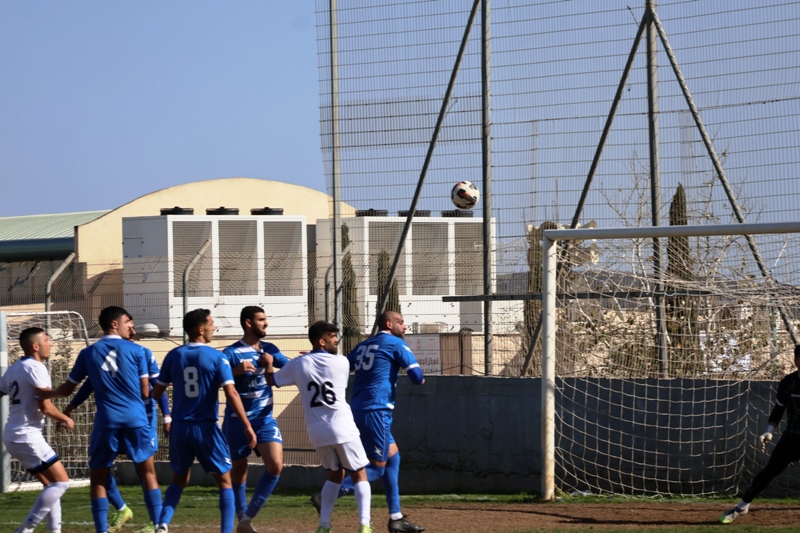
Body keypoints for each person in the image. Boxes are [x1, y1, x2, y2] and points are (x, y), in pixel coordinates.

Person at [38, 306, 163, 533]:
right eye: (127, 322)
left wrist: (47, 393)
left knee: (98, 476)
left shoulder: (88, 353)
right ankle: (159, 526)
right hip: (136, 419)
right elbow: (146, 391)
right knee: (147, 473)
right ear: (114, 324)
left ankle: (102, 530)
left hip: (107, 421)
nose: (131, 327)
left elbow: (67, 389)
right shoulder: (139, 351)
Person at [151, 309, 256, 533]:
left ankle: (162, 524)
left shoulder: (173, 356)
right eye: (211, 324)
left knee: (179, 479)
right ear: (200, 329)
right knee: (225, 481)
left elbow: (157, 392)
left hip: (180, 428)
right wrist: (247, 426)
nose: (214, 328)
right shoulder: (217, 357)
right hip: (205, 427)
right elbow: (231, 393)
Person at [262, 321, 372, 533]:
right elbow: (325, 366)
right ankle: (365, 525)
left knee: (334, 476)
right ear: (321, 342)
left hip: (317, 432)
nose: (336, 340)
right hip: (343, 428)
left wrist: (268, 363)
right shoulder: (341, 362)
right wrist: (310, 360)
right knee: (360, 474)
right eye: (332, 337)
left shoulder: (299, 364)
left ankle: (324, 525)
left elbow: (271, 380)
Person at [329, 311, 426, 533]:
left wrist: (318, 359)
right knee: (376, 468)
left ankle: (396, 518)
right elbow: (417, 377)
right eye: (401, 322)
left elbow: (343, 366)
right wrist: (420, 377)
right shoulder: (395, 344)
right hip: (377, 410)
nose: (405, 326)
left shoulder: (364, 344)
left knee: (393, 458)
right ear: (389, 324)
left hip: (358, 408)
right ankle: (331, 492)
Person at [221, 306, 289, 533]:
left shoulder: (270, 349)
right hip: (236, 421)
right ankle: (242, 517)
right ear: (248, 323)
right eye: (261, 319)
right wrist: (235, 371)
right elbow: (213, 379)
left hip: (264, 419)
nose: (266, 323)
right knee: (239, 469)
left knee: (276, 465)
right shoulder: (231, 353)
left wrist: (310, 359)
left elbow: (289, 369)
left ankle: (247, 518)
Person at [0, 328, 73, 533]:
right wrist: (65, 417)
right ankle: (25, 529)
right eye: (47, 339)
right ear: (35, 346)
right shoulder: (36, 367)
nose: (50, 343)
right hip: (27, 435)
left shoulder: (14, 368)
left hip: (13, 435)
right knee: (62, 483)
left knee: (51, 485)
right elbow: (45, 407)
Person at [720, 344, 800, 524]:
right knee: (769, 471)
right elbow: (778, 411)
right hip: (793, 436)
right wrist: (768, 431)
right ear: (796, 362)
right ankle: (742, 506)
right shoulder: (788, 382)